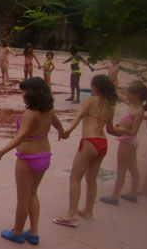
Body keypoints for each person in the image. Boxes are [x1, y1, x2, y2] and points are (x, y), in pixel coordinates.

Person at [0, 77, 64, 244]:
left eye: (24, 91)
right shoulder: (49, 112)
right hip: (45, 156)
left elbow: (21, 136)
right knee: (33, 194)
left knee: (23, 198)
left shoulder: (30, 114)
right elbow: (59, 126)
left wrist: (2, 151)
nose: (22, 94)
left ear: (31, 94)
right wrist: (62, 132)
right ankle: (34, 232)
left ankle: (17, 232)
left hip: (27, 159)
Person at [52, 75, 122, 227]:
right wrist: (123, 132)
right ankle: (89, 210)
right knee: (91, 179)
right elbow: (110, 130)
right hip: (102, 143)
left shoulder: (90, 100)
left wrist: (67, 131)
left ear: (95, 87)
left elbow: (79, 117)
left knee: (75, 178)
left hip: (89, 141)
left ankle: (71, 214)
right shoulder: (110, 105)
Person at [100, 83, 147, 205]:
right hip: (128, 140)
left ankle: (114, 196)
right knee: (132, 167)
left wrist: (122, 130)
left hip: (127, 141)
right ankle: (132, 193)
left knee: (122, 169)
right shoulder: (132, 105)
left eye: (130, 95)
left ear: (137, 96)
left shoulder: (138, 111)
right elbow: (121, 97)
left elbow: (134, 131)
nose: (128, 96)